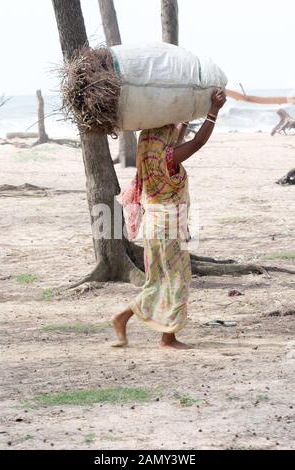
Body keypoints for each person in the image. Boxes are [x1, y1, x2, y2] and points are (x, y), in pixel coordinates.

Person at [112, 88, 226, 349]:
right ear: (165, 140)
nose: (173, 135)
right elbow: (196, 143)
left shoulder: (149, 154)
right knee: (178, 279)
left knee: (159, 279)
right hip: (168, 226)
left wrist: (183, 119)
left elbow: (177, 141)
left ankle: (125, 319)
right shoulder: (169, 158)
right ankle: (165, 336)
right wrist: (213, 112)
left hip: (154, 224)